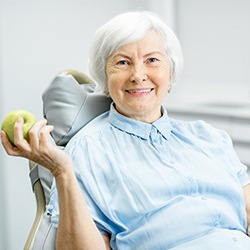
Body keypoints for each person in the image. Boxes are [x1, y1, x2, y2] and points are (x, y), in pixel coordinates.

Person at [1, 10, 250, 250]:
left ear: (171, 72)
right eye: (122, 62)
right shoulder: (88, 150)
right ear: (105, 79)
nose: (138, 75)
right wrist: (61, 171)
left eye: (152, 60)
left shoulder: (209, 138)